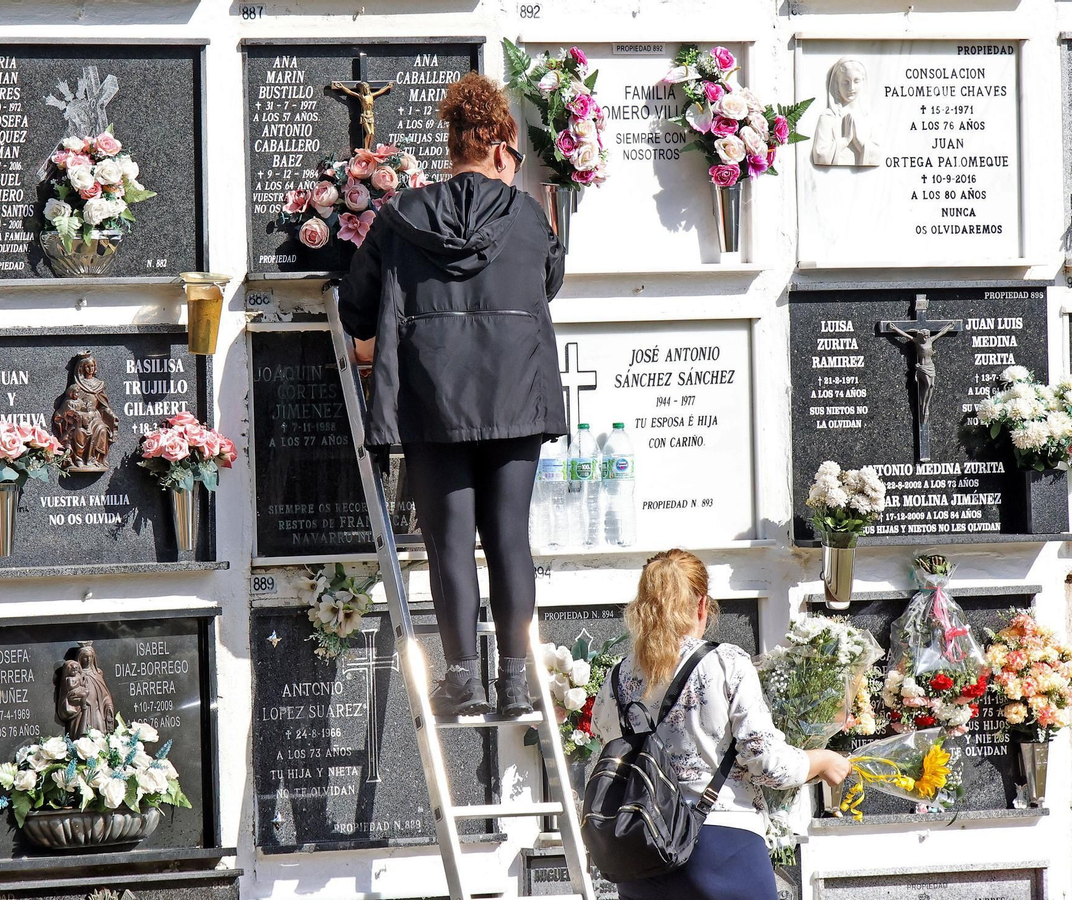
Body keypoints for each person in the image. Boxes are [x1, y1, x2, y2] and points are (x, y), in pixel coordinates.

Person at [340, 72, 566, 717]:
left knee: (448, 540)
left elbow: (357, 309)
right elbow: (547, 285)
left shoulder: (402, 215)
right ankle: (517, 680)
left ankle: (463, 677)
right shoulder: (527, 216)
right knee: (509, 539)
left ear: (452, 143)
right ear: (501, 147)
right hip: (516, 398)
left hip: (434, 399)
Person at [590, 551, 853, 900]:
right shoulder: (726, 663)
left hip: (641, 856)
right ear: (702, 605)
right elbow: (767, 763)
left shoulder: (616, 678)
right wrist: (823, 760)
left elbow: (605, 754)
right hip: (721, 847)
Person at [811, 57, 883, 167]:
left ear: (862, 82)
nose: (851, 87)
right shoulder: (828, 117)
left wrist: (859, 143)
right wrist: (845, 140)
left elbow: (878, 156)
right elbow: (820, 156)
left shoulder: (869, 118)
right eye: (846, 82)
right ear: (837, 84)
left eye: (856, 81)